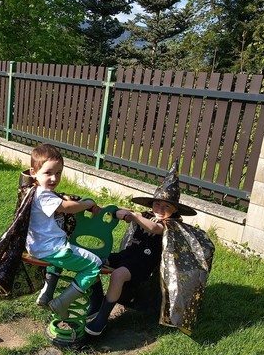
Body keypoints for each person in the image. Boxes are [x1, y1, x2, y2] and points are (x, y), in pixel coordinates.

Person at [85, 162, 213, 336]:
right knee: (91, 260)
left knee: (118, 275)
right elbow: (124, 212)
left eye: (167, 206)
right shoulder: (145, 215)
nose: (160, 209)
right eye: (157, 204)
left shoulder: (171, 225)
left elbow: (154, 228)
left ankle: (102, 318)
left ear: (175, 209)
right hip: (126, 256)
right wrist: (112, 210)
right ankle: (97, 300)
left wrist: (134, 216)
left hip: (143, 265)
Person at [26, 143, 102, 320]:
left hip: (38, 246)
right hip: (50, 248)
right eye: (48, 173)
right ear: (33, 172)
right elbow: (67, 207)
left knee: (64, 252)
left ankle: (46, 294)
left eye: (58, 173)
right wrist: (87, 204)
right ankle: (62, 302)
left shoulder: (34, 190)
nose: (54, 178)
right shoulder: (43, 195)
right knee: (95, 265)